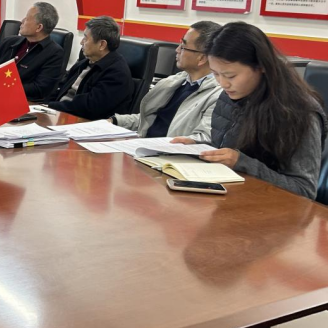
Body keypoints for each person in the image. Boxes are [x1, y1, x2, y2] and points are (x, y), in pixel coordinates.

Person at [173, 22, 326, 199]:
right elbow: (229, 146)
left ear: (261, 67)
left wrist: (243, 163)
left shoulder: (300, 113)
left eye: (230, 76)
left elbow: (305, 191)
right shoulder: (229, 95)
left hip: (270, 209)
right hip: (229, 198)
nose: (223, 83)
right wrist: (200, 146)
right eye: (215, 74)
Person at [112, 21, 223, 141]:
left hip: (167, 150)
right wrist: (115, 121)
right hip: (143, 145)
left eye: (183, 46)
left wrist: (158, 145)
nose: (177, 50)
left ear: (202, 58)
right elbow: (148, 119)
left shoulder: (218, 96)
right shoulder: (173, 82)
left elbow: (204, 138)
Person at [48, 15, 132, 119]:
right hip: (60, 114)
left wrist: (52, 106)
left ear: (102, 45)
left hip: (84, 121)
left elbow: (89, 107)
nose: (81, 42)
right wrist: (44, 106)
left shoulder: (117, 73)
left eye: (85, 38)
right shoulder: (83, 63)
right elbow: (59, 88)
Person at [0, 2, 64, 101]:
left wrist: (4, 87)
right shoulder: (9, 42)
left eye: (27, 18)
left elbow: (39, 88)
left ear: (39, 27)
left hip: (23, 102)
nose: (22, 21)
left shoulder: (54, 53)